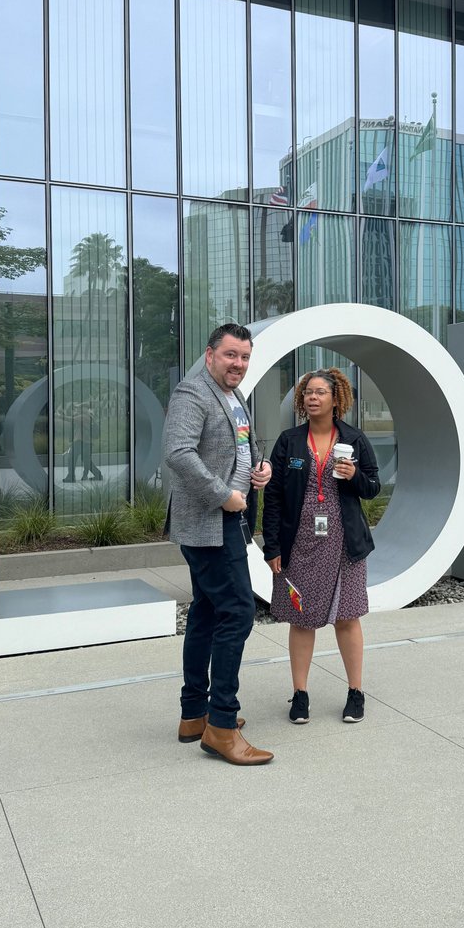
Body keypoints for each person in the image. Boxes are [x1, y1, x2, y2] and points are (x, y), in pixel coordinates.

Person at [162, 323, 274, 766]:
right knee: (238, 612)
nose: (239, 364)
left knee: (208, 613)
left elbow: (236, 449)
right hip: (210, 522)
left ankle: (195, 714)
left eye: (245, 357)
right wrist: (224, 495)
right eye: (231, 355)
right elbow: (178, 453)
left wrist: (257, 472)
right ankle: (222, 727)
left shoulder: (233, 396)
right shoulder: (193, 394)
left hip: (230, 517)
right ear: (210, 355)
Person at [262, 367, 380, 724]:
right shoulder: (289, 441)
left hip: (345, 543)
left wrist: (354, 476)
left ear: (335, 399)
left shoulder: (355, 440)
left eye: (319, 392)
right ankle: (300, 695)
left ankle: (355, 692)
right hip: (299, 543)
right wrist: (272, 547)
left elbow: (373, 487)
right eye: (307, 393)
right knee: (302, 619)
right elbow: (275, 498)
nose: (312, 398)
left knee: (347, 617)